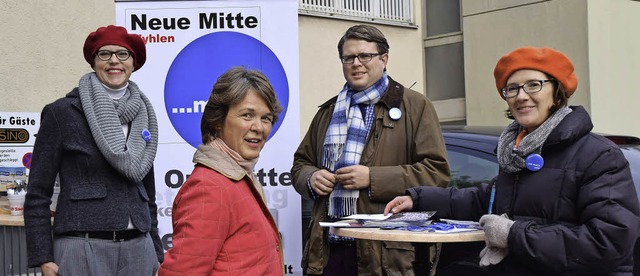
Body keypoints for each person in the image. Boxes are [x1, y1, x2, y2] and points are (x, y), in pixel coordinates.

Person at [384, 46, 640, 275]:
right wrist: (418, 199)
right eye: (512, 88)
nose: (521, 96)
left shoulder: (598, 155)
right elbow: (485, 200)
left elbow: (609, 242)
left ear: (557, 91)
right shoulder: (516, 153)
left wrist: (513, 234)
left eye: (534, 85)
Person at [291, 24, 451, 276]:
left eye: (365, 55)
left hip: (386, 254)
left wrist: (372, 178)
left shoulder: (416, 106)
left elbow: (436, 173)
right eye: (348, 57)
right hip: (329, 250)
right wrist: (310, 177)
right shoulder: (328, 112)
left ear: (384, 59)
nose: (356, 63)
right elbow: (301, 164)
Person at [24, 25, 163, 275]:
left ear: (133, 63)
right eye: (104, 54)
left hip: (139, 250)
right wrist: (43, 257)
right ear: (93, 61)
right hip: (81, 246)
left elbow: (147, 192)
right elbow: (37, 194)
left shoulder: (144, 116)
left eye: (123, 54)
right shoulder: (62, 113)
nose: (114, 61)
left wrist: (156, 251)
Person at [158, 66, 284, 275]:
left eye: (266, 118)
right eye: (247, 115)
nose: (259, 127)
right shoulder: (209, 187)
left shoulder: (238, 177)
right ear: (217, 121)